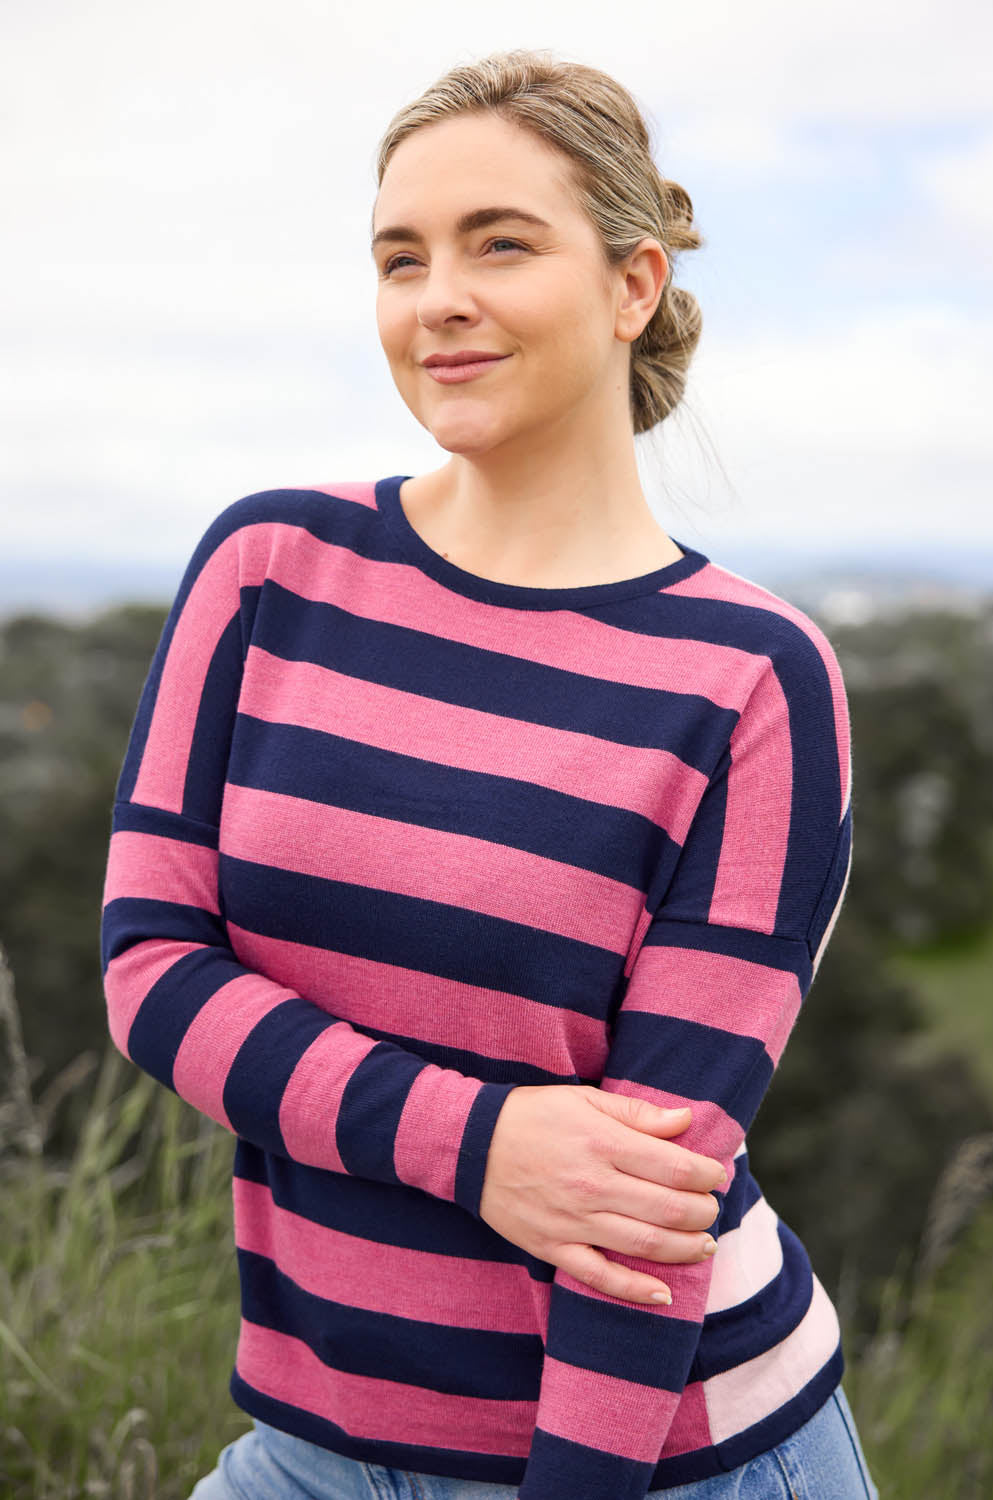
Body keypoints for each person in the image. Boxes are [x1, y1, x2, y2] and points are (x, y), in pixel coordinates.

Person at [100, 47, 879, 1500]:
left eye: (500, 244)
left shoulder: (754, 679)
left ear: (633, 285)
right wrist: (479, 1142)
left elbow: (649, 1207)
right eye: (402, 258)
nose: (437, 298)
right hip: (314, 1440)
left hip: (665, 1458)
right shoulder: (270, 570)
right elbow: (152, 969)